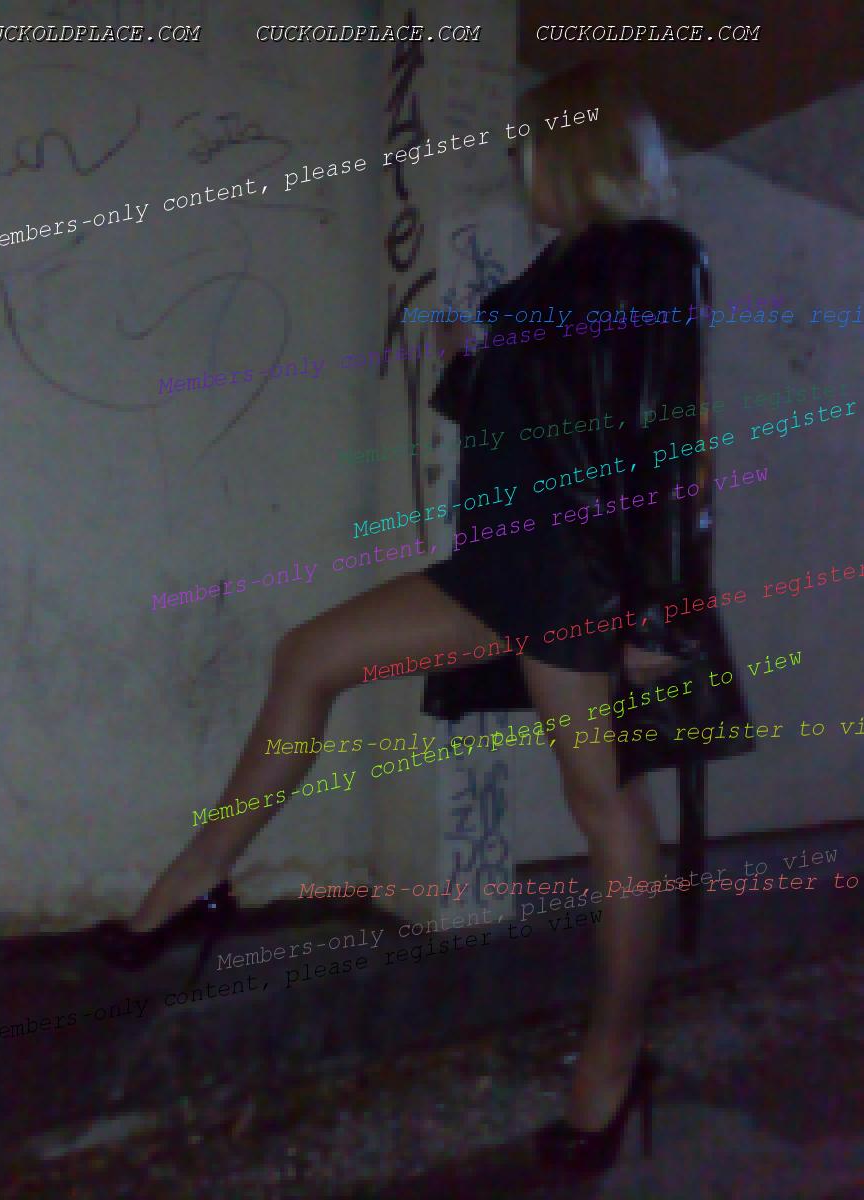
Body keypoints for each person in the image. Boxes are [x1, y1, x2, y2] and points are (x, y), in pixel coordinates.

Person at [97, 64, 751, 1177]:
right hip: (504, 563)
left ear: (570, 153)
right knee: (309, 656)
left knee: (605, 806)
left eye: (528, 153)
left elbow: (671, 447)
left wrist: (658, 611)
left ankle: (611, 1061)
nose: (520, 172)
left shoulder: (654, 258)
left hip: (578, 577)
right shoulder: (562, 268)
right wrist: (472, 363)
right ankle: (196, 883)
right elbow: (543, 417)